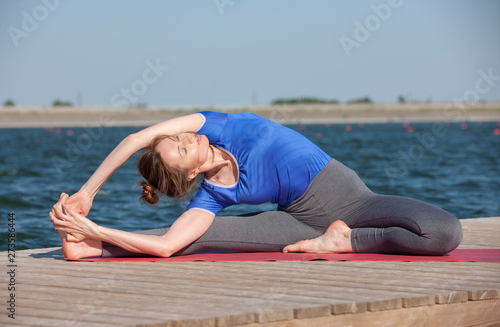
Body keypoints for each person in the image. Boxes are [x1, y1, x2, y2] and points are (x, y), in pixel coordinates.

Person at [50, 112, 463, 259]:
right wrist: (94, 231)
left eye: (176, 137)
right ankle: (91, 249)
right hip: (300, 225)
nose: (184, 138)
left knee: (444, 233)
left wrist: (88, 192)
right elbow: (166, 246)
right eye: (179, 148)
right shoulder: (212, 195)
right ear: (189, 174)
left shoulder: (221, 125)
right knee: (197, 238)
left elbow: (136, 139)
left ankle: (346, 241)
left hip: (355, 202)